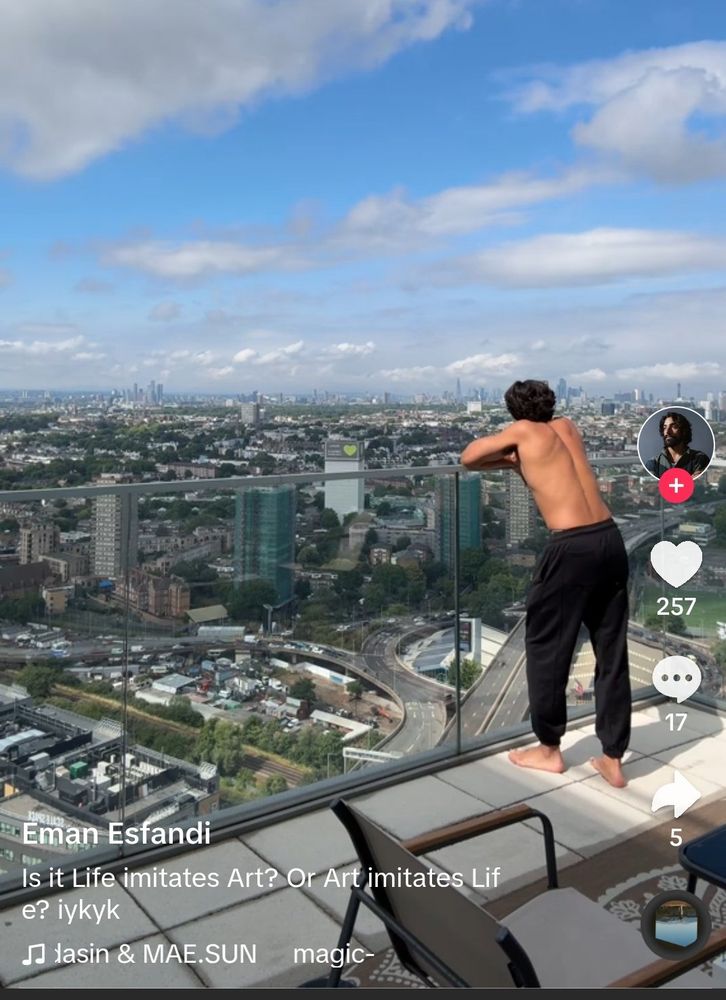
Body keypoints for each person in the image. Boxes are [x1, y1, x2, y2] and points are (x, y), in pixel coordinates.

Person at [460, 379, 631, 788]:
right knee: (611, 650)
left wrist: (510, 458)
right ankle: (612, 756)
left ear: (513, 411)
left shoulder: (522, 432)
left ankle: (549, 748)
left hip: (571, 547)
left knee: (546, 646)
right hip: (609, 538)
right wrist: (516, 461)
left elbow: (468, 458)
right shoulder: (567, 427)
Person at [645, 411, 709, 478]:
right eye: (665, 428)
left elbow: (697, 482)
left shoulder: (699, 459)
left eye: (674, 427)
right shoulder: (653, 463)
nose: (667, 432)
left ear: (684, 431)